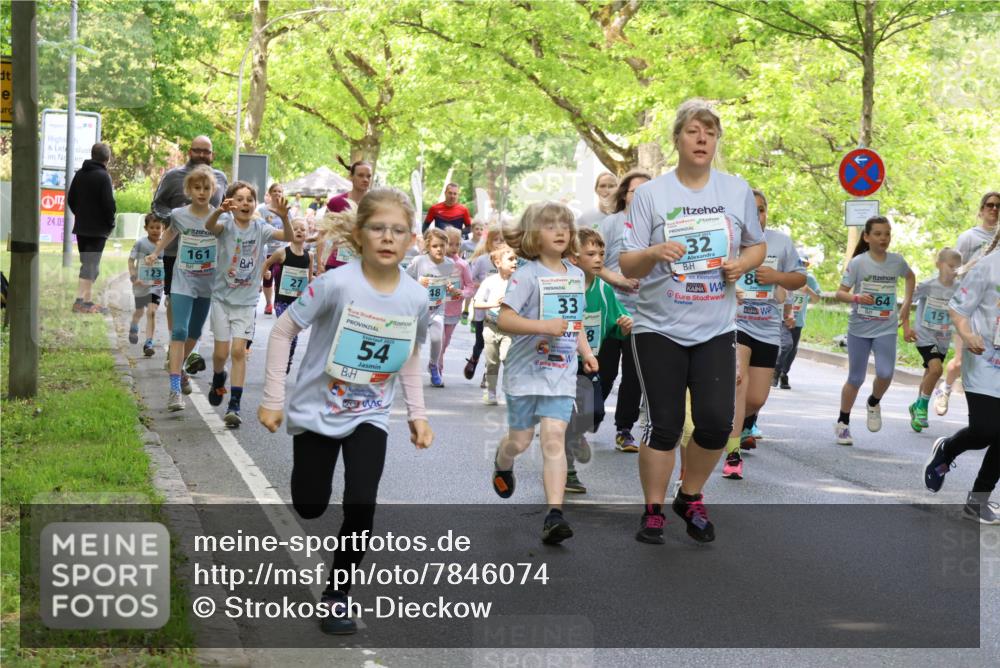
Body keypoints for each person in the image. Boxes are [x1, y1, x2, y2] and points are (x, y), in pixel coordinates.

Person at [258, 188, 433, 634]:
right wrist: (273, 399)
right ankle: (311, 492)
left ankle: (337, 595)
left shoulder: (415, 298)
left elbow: (410, 354)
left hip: (370, 414)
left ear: (411, 239)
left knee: (361, 503)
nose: (387, 237)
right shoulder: (336, 284)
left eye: (397, 230)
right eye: (378, 228)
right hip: (317, 411)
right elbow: (282, 331)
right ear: (359, 234)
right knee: (311, 505)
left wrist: (418, 414)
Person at [619, 98, 765, 544]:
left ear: (716, 141)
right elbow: (628, 264)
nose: (702, 139)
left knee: (718, 422)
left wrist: (742, 264)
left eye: (710, 132)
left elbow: (756, 246)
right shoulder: (651, 195)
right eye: (693, 131)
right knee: (663, 422)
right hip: (659, 325)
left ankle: (691, 495)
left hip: (715, 326)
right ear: (678, 139)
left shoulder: (735, 190)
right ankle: (653, 510)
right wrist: (653, 253)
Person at [491, 201, 596, 544]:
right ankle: (503, 462)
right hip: (525, 373)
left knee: (553, 440)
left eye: (565, 225)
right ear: (534, 234)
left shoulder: (577, 274)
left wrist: (587, 352)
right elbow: (504, 320)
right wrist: (543, 326)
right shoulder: (527, 274)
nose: (560, 231)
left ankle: (554, 514)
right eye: (550, 226)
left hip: (560, 373)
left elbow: (574, 322)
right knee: (520, 442)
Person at [722, 189, 805, 479]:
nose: (757, 215)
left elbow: (800, 278)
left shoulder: (780, 241)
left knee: (755, 399)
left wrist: (777, 278)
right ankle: (733, 454)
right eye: (752, 209)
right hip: (736, 324)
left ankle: (727, 425)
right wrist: (732, 289)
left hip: (768, 328)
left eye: (761, 209)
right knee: (739, 383)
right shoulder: (729, 240)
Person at [924, 226, 1000, 525]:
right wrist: (967, 334)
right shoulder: (988, 266)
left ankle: (978, 500)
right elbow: (958, 308)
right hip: (984, 357)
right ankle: (948, 449)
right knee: (985, 430)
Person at [203, 183, 292, 427]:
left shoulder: (260, 228)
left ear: (254, 204)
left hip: (246, 302)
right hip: (222, 299)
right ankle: (219, 377)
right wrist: (218, 211)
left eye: (248, 199)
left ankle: (234, 405)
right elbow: (209, 226)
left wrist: (284, 218)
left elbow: (288, 237)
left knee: (238, 352)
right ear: (230, 204)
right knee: (221, 354)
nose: (244, 203)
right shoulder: (225, 226)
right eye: (238, 199)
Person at [833, 216, 915, 445]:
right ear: (867, 237)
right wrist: (857, 297)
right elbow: (840, 293)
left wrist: (907, 304)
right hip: (859, 327)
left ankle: (873, 401)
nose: (884, 238)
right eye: (878, 234)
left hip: (885, 327)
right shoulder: (859, 262)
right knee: (856, 378)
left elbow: (910, 277)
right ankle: (843, 423)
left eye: (887, 234)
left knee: (886, 373)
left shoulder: (897, 261)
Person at [144, 165, 220, 412]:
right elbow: (170, 234)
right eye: (197, 187)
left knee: (194, 333)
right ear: (189, 190)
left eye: (206, 188)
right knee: (179, 330)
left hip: (206, 283)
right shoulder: (179, 214)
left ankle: (179, 366)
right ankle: (175, 390)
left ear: (213, 191)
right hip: (182, 279)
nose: (202, 192)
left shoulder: (220, 216)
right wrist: (155, 252)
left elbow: (231, 240)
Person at [151, 135, 228, 375]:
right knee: (176, 298)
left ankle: (182, 351)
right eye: (198, 151)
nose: (202, 155)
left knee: (200, 304)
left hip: (207, 254)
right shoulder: (173, 176)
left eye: (207, 152)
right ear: (189, 151)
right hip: (176, 251)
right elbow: (157, 205)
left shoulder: (220, 179)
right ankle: (177, 344)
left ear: (212, 155)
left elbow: (225, 209)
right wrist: (174, 220)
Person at [564, 228, 632, 494]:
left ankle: (578, 434)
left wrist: (625, 325)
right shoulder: (564, 286)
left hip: (590, 362)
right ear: (573, 258)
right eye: (590, 253)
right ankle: (568, 472)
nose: (598, 258)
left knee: (595, 414)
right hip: (561, 361)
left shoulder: (604, 289)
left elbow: (617, 323)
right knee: (564, 416)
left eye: (602, 253)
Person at [935, 191, 1000, 416]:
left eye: (998, 206)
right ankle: (945, 388)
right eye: (989, 205)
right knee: (960, 360)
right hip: (969, 307)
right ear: (981, 210)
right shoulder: (969, 237)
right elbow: (954, 268)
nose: (994, 209)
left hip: (990, 309)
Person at [599, 169, 649, 452]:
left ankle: (624, 429)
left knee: (634, 376)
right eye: (634, 191)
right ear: (624, 195)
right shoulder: (611, 223)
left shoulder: (660, 226)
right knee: (604, 373)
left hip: (643, 314)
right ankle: (589, 417)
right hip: (610, 310)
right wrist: (618, 279)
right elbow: (593, 262)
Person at [908, 248, 962, 432]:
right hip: (924, 335)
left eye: (957, 267)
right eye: (951, 266)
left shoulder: (958, 288)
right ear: (939, 265)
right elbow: (908, 299)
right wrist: (904, 323)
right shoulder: (929, 285)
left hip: (943, 337)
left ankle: (916, 406)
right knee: (936, 369)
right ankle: (922, 408)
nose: (954, 270)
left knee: (929, 373)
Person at [406, 228, 460, 387]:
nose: (439, 249)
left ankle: (433, 366)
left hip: (437, 309)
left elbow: (447, 283)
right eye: (435, 246)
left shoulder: (449, 264)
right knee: (415, 344)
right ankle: (411, 371)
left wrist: (450, 288)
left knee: (437, 339)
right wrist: (417, 283)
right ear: (428, 247)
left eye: (443, 246)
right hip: (418, 311)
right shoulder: (419, 261)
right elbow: (403, 280)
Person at [67, 142, 116, 314]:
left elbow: (70, 199)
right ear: (107, 158)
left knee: (88, 264)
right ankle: (81, 302)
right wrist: (110, 224)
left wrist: (81, 215)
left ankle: (85, 301)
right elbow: (109, 204)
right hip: (98, 230)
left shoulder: (80, 174)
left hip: (81, 228)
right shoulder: (103, 176)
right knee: (90, 265)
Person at [262, 219, 313, 373]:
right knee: (287, 331)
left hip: (298, 302)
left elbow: (309, 279)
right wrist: (265, 272)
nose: (298, 231)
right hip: (282, 301)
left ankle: (288, 358)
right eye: (295, 228)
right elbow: (266, 263)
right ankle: (280, 361)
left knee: (293, 337)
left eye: (302, 229)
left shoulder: (309, 255)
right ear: (290, 232)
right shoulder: (282, 252)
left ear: (307, 234)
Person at [474, 246, 517, 405]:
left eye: (516, 259)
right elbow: (477, 302)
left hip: (511, 329)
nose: (515, 262)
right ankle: (490, 392)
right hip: (491, 327)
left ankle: (511, 392)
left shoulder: (519, 282)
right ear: (498, 263)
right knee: (492, 363)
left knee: (508, 359)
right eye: (511, 259)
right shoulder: (489, 282)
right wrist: (493, 303)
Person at [464, 226, 507, 384]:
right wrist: (480, 285)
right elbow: (470, 279)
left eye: (502, 240)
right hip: (483, 310)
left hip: (500, 312)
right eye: (496, 240)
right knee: (480, 342)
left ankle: (487, 375)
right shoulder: (482, 261)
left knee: (493, 345)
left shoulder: (508, 262)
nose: (499, 243)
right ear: (489, 242)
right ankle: (474, 360)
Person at [773, 259, 821, 389]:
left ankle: (784, 374)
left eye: (804, 264)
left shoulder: (809, 278)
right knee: (785, 345)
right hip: (783, 318)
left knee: (792, 350)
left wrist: (808, 290)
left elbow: (817, 299)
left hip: (798, 320)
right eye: (797, 263)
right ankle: (775, 370)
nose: (800, 266)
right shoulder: (784, 276)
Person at [127, 213, 164, 356]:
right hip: (140, 284)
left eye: (158, 227)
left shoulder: (164, 245)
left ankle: (149, 342)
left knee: (152, 312)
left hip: (156, 285)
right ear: (146, 228)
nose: (155, 230)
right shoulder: (140, 243)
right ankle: (134, 325)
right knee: (140, 312)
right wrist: (133, 277)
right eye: (152, 227)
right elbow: (131, 261)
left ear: (163, 228)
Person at [440, 227, 475, 372]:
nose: (454, 248)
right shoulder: (436, 262)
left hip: (453, 311)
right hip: (436, 309)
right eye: (451, 244)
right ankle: (437, 367)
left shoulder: (462, 265)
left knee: (445, 342)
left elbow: (471, 287)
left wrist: (461, 292)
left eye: (457, 244)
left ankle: (436, 363)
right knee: (438, 341)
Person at [258, 183, 287, 315]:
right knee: (267, 278)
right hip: (266, 250)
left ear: (282, 194)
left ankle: (277, 303)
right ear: (269, 193)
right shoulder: (262, 210)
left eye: (279, 191)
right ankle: (269, 303)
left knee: (280, 277)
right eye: (274, 191)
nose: (277, 193)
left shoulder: (286, 209)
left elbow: (290, 227)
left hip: (281, 250)